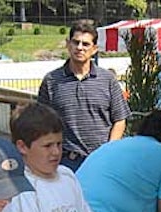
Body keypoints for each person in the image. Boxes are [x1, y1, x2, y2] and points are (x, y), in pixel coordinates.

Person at [38, 19, 131, 171]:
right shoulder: (51, 81)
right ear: (68, 44)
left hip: (102, 160)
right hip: (65, 162)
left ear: (94, 49)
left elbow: (120, 120)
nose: (80, 48)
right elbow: (42, 123)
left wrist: (108, 152)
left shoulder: (107, 80)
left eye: (86, 44)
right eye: (76, 42)